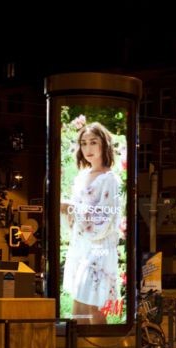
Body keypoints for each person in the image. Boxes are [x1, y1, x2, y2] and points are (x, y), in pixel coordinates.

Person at [61, 122, 124, 324]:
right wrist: (66, 209)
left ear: (103, 145)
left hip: (99, 250)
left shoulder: (110, 179)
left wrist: (71, 207)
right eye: (84, 143)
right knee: (78, 304)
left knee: (93, 306)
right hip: (81, 247)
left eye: (93, 142)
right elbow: (73, 222)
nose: (88, 148)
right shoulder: (81, 177)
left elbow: (105, 220)